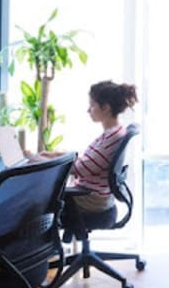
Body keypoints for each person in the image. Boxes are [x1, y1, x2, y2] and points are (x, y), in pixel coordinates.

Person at [56, 80, 138, 233]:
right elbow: (87, 162)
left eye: (92, 105)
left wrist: (48, 161)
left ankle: (41, 252)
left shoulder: (111, 138)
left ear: (105, 108)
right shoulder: (113, 133)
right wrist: (56, 155)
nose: (88, 110)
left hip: (91, 201)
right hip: (95, 197)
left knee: (37, 203)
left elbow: (82, 168)